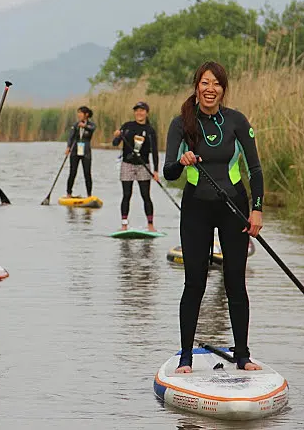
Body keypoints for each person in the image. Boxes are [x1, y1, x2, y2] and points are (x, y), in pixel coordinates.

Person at [163, 61, 264, 373]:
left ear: (223, 88)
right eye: (205, 83)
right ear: (197, 86)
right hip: (196, 208)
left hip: (234, 206)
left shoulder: (236, 121)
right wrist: (181, 161)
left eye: (216, 84)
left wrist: (257, 209)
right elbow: (168, 172)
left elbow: (255, 169)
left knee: (235, 281)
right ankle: (185, 358)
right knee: (195, 282)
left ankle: (243, 356)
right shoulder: (180, 124)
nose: (210, 89)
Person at [112, 101, 159, 231]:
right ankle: (124, 224)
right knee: (127, 194)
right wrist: (116, 136)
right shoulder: (127, 126)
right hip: (127, 164)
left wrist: (155, 170)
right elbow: (115, 143)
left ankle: (150, 225)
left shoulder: (150, 130)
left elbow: (154, 151)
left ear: (146, 113)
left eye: (142, 110)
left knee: (146, 195)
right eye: (137, 110)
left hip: (143, 165)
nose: (139, 113)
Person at [65, 106, 96, 197]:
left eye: (81, 113)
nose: (79, 115)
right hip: (75, 150)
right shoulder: (75, 125)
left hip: (86, 151)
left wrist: (85, 126)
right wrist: (68, 147)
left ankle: (89, 194)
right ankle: (69, 193)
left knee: (87, 173)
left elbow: (92, 128)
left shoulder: (91, 125)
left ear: (86, 114)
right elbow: (71, 137)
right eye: (78, 113)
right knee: (72, 172)